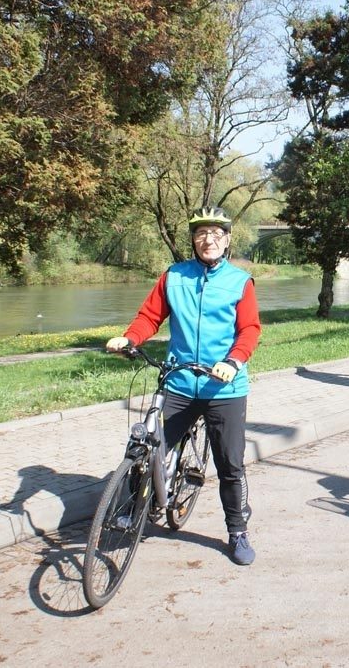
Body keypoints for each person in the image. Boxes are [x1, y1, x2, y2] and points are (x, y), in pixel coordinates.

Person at [106, 207, 262, 566]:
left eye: (216, 234)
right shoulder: (174, 276)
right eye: (201, 233)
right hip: (178, 380)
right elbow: (150, 316)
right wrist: (131, 339)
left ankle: (237, 530)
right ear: (193, 240)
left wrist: (233, 361)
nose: (209, 240)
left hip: (223, 387)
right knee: (146, 443)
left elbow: (250, 330)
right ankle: (135, 510)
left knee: (230, 465)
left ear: (227, 241)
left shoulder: (240, 281)